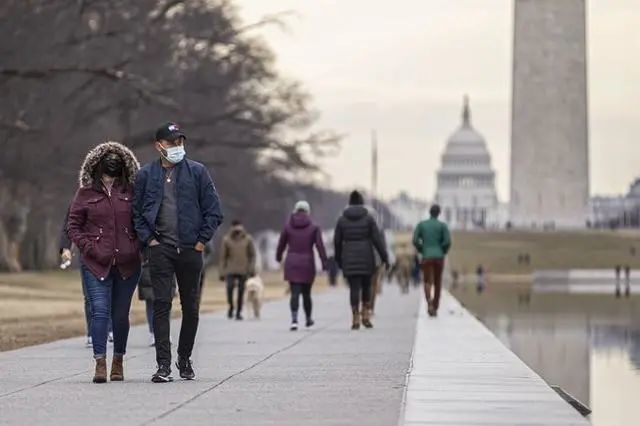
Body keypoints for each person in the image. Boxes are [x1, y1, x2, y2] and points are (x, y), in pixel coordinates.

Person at [133, 122, 223, 383]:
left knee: (191, 308)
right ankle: (163, 365)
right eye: (172, 143)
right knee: (162, 305)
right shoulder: (146, 175)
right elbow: (137, 213)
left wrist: (201, 242)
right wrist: (149, 240)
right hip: (160, 250)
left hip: (190, 250)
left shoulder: (198, 172)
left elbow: (214, 211)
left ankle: (184, 358)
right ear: (159, 145)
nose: (177, 147)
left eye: (180, 142)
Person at [67, 142, 142, 383]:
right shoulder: (85, 193)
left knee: (120, 315)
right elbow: (73, 226)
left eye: (117, 159)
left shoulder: (132, 191)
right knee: (99, 312)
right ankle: (100, 362)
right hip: (95, 262)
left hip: (127, 263)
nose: (112, 162)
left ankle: (118, 360)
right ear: (97, 164)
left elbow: (143, 221)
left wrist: (137, 245)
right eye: (108, 159)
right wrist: (89, 247)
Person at [60, 207, 114, 348]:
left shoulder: (109, 195)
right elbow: (69, 226)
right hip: (87, 253)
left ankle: (109, 329)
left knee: (109, 292)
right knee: (89, 295)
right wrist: (65, 248)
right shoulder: (78, 201)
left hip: (110, 251)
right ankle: (92, 333)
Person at [334, 191, 388, 330]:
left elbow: (337, 242)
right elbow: (377, 240)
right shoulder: (369, 219)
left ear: (349, 203)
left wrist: (339, 259)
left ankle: (355, 317)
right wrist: (384, 257)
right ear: (362, 203)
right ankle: (365, 314)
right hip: (366, 256)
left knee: (354, 288)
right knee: (366, 286)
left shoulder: (341, 220)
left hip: (349, 255)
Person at [276, 201, 328, 331]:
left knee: (294, 292)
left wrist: (278, 256)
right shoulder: (314, 227)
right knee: (306, 293)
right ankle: (308, 318)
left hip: (292, 262)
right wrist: (324, 262)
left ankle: (294, 320)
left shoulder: (288, 226)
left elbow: (281, 244)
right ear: (308, 211)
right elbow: (319, 246)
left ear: (295, 210)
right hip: (307, 263)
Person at [413, 204, 451, 317]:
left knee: (427, 281)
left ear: (429, 212)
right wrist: (442, 250)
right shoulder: (442, 226)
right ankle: (435, 306)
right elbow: (448, 241)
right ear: (439, 213)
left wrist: (422, 249)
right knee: (438, 282)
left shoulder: (421, 225)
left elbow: (415, 240)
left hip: (427, 256)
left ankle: (429, 301)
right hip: (439, 257)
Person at [137, 250, 177, 346]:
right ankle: (153, 333)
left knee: (165, 302)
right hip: (148, 263)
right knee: (151, 301)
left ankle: (165, 332)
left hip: (167, 264)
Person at [219, 220, 256, 321]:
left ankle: (239, 311)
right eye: (235, 227)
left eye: (239, 227)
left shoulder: (248, 239)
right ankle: (231, 307)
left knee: (241, 291)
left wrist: (251, 269)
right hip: (230, 269)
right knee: (229, 288)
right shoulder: (226, 239)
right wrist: (222, 272)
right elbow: (223, 257)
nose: (237, 229)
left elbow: (252, 255)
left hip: (244, 270)